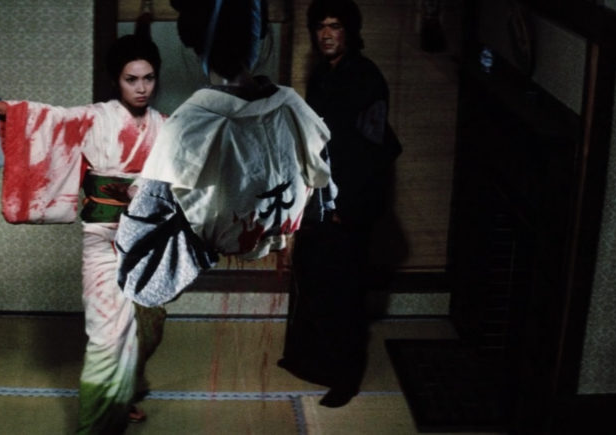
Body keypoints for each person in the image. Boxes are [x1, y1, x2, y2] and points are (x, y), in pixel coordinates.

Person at [0, 33, 167, 434]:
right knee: (107, 335)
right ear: (115, 81)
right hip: (104, 238)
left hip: (149, 242)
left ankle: (123, 397)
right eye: (131, 79)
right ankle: (97, 426)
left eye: (148, 78)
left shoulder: (166, 127)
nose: (141, 88)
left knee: (149, 326)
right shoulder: (95, 118)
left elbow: (185, 178)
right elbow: (42, 119)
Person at [116, 0, 332, 310]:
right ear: (259, 37)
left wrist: (149, 198)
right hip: (283, 239)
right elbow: (321, 195)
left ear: (196, 47)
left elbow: (139, 279)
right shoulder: (294, 108)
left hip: (217, 249)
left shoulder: (188, 125)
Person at [278, 0, 402, 408]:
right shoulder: (320, 76)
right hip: (320, 196)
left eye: (335, 26)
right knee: (313, 277)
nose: (327, 34)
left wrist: (348, 205)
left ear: (350, 31)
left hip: (352, 201)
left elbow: (372, 149)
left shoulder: (367, 78)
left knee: (345, 292)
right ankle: (310, 361)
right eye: (321, 27)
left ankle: (346, 379)